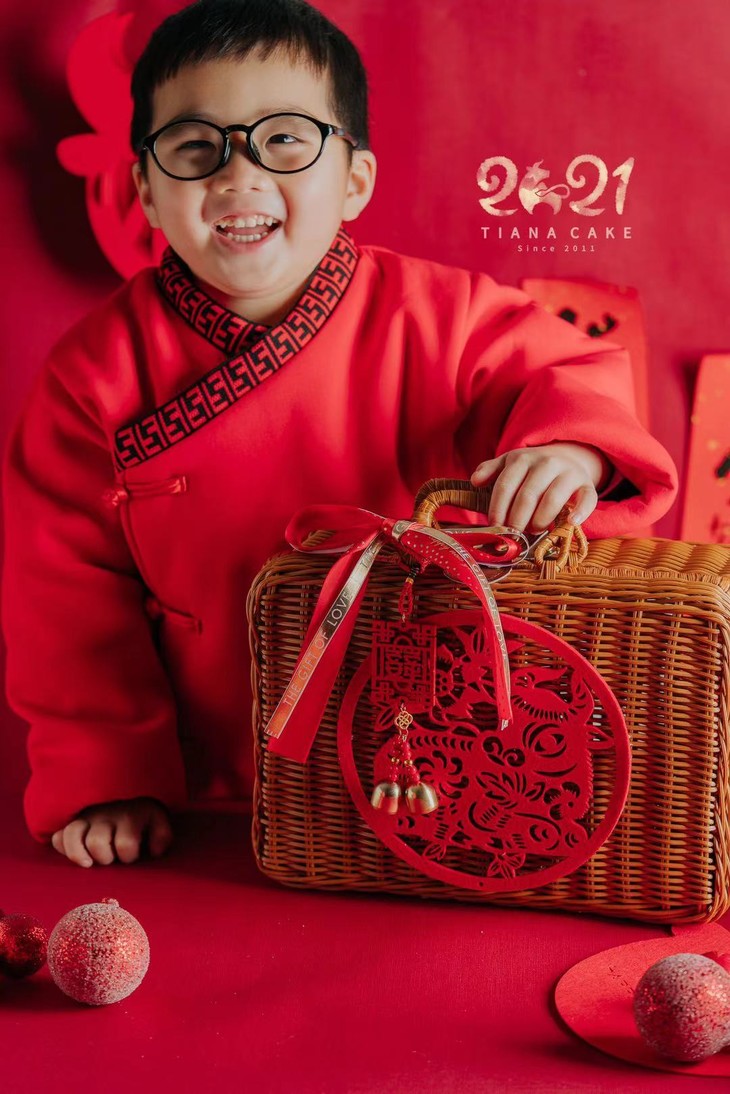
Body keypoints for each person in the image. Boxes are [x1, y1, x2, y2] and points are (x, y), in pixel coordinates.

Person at [0, 0, 677, 868]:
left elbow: (565, 372)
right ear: (147, 192)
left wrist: (569, 452)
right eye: (196, 148)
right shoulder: (92, 373)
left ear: (355, 180)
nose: (238, 178)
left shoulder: (443, 317)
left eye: (284, 141)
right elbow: (63, 602)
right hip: (205, 772)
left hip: (428, 739)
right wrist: (109, 774)